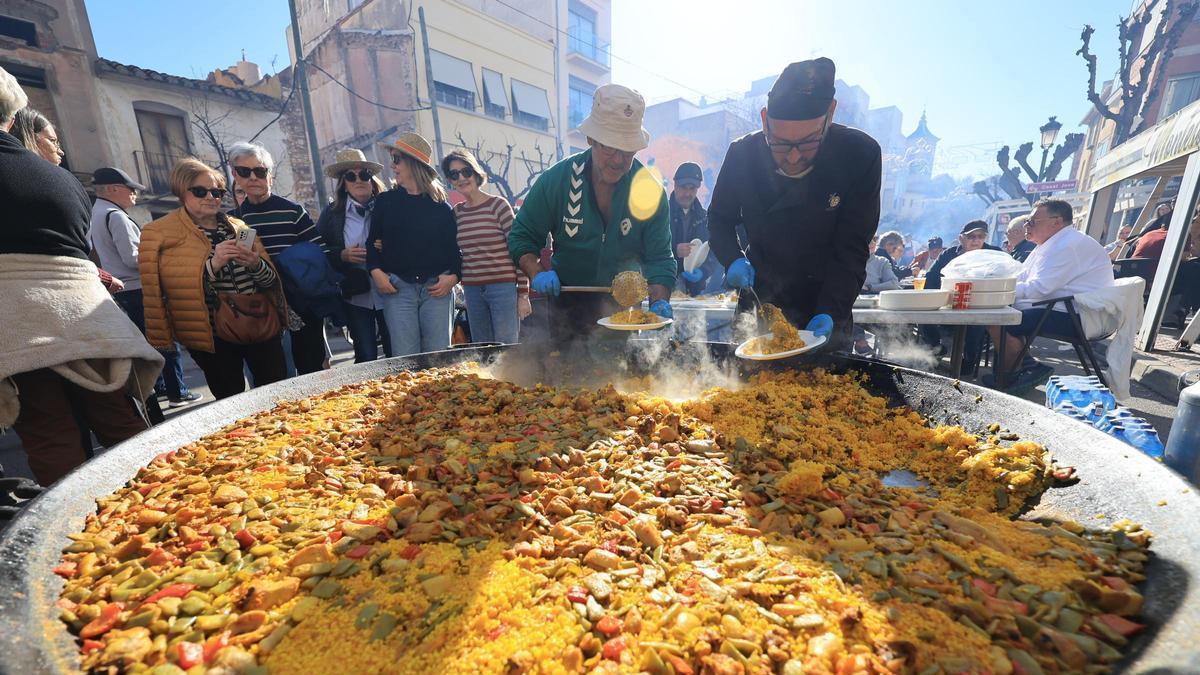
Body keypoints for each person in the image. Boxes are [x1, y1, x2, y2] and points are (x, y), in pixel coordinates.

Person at [0, 67, 160, 486]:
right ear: (14, 118)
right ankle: (168, 512)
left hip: (16, 322)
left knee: (53, 439)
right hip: (86, 315)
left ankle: (79, 537)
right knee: (122, 426)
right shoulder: (63, 180)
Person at [709, 58, 882, 348]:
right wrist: (732, 258)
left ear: (831, 113)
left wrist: (831, 310)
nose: (792, 157)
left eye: (808, 142)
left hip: (826, 299)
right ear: (764, 120)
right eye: (778, 142)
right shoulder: (743, 155)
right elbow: (719, 219)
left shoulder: (859, 155)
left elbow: (852, 248)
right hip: (759, 297)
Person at [508, 83, 676, 341]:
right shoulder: (557, 180)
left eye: (627, 150)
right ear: (591, 139)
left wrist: (659, 300)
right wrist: (537, 272)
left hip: (624, 308)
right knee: (564, 373)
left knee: (618, 377)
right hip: (566, 302)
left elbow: (660, 258)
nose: (618, 160)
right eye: (609, 147)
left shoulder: (650, 190)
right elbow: (522, 236)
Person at [140, 158, 288, 399]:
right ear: (181, 190)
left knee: (275, 394)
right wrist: (213, 264)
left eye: (217, 192)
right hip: (212, 336)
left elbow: (270, 282)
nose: (211, 197)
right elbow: (167, 291)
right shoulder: (159, 233)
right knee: (230, 401)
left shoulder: (239, 226)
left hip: (260, 324)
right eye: (200, 191)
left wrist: (254, 264)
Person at [90, 167, 200, 410]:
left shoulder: (97, 213)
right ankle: (177, 391)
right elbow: (131, 258)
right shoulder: (115, 216)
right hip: (138, 287)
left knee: (149, 340)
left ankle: (160, 386)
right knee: (164, 339)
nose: (135, 196)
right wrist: (162, 256)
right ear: (114, 189)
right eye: (131, 190)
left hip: (122, 288)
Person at [986, 199, 1115, 388]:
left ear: (1057, 221)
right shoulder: (1050, 243)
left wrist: (996, 292)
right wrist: (995, 286)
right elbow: (1022, 276)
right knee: (1003, 313)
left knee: (1001, 319)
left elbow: (1039, 288)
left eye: (1032, 221)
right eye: (1027, 222)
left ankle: (1014, 376)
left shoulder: (1067, 245)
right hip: (1063, 307)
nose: (1026, 226)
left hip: (1080, 316)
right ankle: (1021, 369)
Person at [229, 141, 328, 376]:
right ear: (235, 175)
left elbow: (320, 252)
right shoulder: (234, 220)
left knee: (310, 368)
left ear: (269, 175)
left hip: (301, 303)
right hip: (261, 307)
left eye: (260, 171)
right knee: (273, 374)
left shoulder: (293, 211)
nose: (253, 177)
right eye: (245, 171)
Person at [368, 133, 461, 356]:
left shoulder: (442, 208)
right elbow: (371, 243)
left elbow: (455, 252)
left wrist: (454, 277)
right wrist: (376, 272)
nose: (392, 165)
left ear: (414, 163)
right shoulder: (385, 202)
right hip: (398, 289)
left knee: (438, 359)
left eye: (397, 159)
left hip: (437, 290)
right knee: (406, 360)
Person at [442, 149, 529, 344]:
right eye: (454, 174)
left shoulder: (498, 205)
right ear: (450, 180)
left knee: (506, 349)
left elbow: (518, 250)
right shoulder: (457, 213)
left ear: (475, 172)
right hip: (472, 291)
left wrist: (523, 294)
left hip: (503, 288)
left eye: (466, 171)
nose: (462, 178)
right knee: (481, 349)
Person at [315, 148, 392, 363]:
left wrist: (388, 245)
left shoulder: (388, 206)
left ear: (372, 179)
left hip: (392, 291)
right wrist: (342, 255)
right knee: (365, 355)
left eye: (364, 175)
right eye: (351, 176)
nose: (359, 180)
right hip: (356, 294)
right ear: (344, 183)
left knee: (396, 352)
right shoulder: (331, 214)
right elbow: (318, 250)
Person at [669, 162, 718, 295]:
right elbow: (648, 248)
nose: (688, 193)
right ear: (675, 185)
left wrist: (703, 271)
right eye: (684, 187)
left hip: (696, 289)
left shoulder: (704, 217)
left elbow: (713, 251)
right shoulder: (662, 215)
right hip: (666, 286)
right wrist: (674, 250)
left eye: (692, 189)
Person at [925, 220, 1002, 290]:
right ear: (961, 239)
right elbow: (929, 280)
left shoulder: (995, 254)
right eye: (971, 236)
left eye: (981, 236)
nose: (976, 240)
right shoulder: (948, 254)